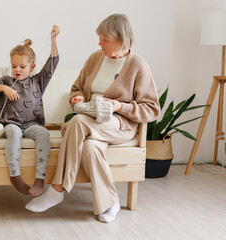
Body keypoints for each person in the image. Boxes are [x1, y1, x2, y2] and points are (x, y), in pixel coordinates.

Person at [25, 14, 160, 223]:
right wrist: (77, 98)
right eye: (99, 38)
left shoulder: (138, 66)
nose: (99, 43)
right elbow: (76, 88)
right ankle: (110, 202)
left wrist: (119, 106)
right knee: (90, 148)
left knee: (77, 122)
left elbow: (152, 109)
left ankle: (57, 188)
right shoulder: (95, 58)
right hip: (91, 123)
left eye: (105, 39)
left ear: (121, 38)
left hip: (120, 126)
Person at [0, 25, 60, 196]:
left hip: (32, 124)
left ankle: (40, 178)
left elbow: (53, 64)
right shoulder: (6, 81)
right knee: (15, 134)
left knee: (43, 134)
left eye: (22, 66)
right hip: (10, 124)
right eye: (14, 66)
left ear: (32, 67)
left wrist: (53, 40)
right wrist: (3, 88)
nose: (17, 70)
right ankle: (15, 176)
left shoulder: (38, 81)